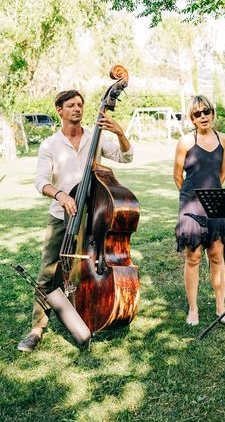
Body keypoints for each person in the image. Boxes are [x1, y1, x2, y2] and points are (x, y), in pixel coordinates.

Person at [18, 90, 133, 352]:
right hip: (62, 217)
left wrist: (120, 133)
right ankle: (37, 328)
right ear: (59, 110)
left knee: (90, 266)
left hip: (93, 217)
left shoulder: (95, 138)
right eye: (71, 105)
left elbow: (126, 156)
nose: (77, 109)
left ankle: (89, 309)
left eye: (80, 104)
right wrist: (60, 195)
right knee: (48, 270)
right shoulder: (50, 145)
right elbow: (41, 181)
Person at [174, 95, 225, 326]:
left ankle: (220, 307)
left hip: (215, 202)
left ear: (212, 113)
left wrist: (212, 195)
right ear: (192, 118)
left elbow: (222, 174)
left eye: (206, 111)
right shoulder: (186, 142)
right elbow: (178, 177)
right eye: (197, 114)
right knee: (193, 257)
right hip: (191, 204)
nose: (203, 117)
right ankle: (193, 309)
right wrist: (191, 199)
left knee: (217, 255)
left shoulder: (224, 140)